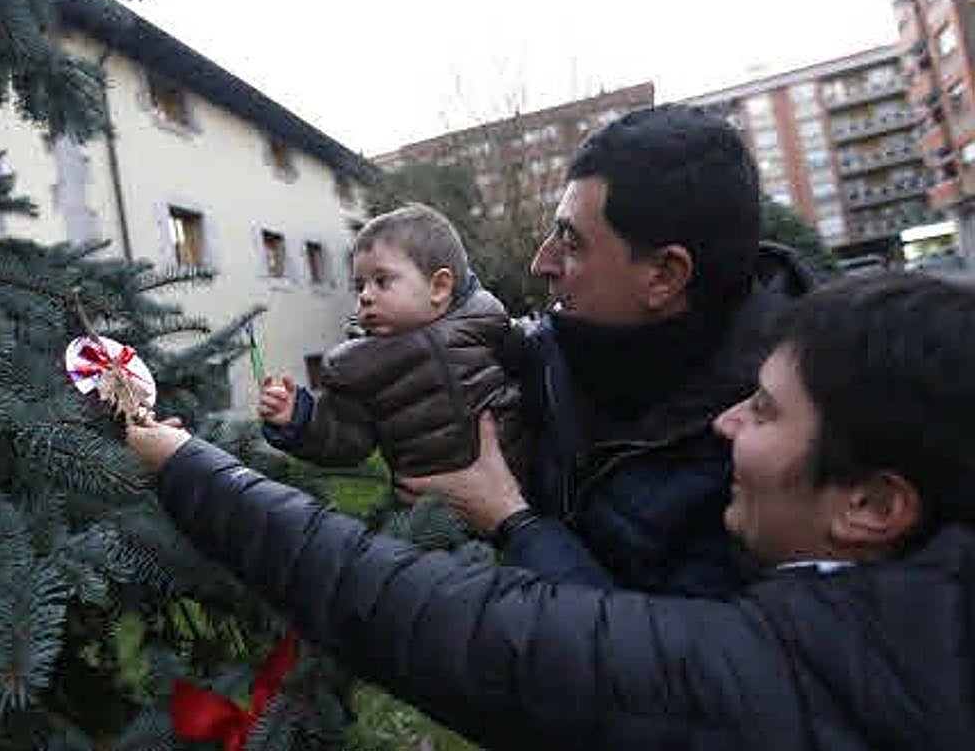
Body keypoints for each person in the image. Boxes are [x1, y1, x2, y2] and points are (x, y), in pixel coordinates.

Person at [129, 273, 975, 750]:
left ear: (871, 504)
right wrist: (517, 520)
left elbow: (442, 622)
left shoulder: (780, 684)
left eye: (762, 411)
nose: (726, 424)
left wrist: (186, 465)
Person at [403, 104, 814, 595]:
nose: (541, 263)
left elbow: (665, 659)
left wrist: (511, 519)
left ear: (663, 275)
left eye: (572, 243)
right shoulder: (561, 351)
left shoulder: (786, 454)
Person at [256, 202, 530, 481]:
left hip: (523, 491)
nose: (364, 295)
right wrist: (298, 419)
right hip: (432, 514)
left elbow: (535, 371)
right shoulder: (359, 367)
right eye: (359, 285)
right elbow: (346, 440)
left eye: (381, 281)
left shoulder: (486, 321)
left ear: (439, 287)